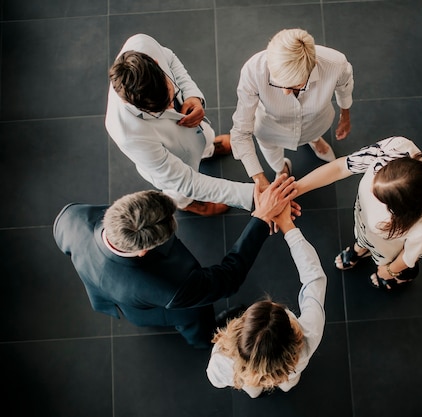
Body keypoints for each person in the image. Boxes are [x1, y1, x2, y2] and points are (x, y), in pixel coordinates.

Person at [53, 175, 298, 349]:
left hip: (106, 291)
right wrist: (261, 218)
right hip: (161, 308)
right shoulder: (171, 287)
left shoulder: (70, 218)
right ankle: (205, 340)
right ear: (143, 251)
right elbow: (227, 279)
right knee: (196, 323)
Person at [106, 33, 251, 217]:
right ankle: (189, 205)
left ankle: (209, 148)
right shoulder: (127, 133)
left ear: (156, 64)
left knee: (205, 139)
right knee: (179, 192)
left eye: (169, 95)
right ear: (129, 103)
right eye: (159, 110)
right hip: (171, 164)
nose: (171, 107)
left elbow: (171, 59)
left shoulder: (142, 43)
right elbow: (185, 181)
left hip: (195, 132)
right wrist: (249, 195)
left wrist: (192, 96)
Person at [206, 202, 327, 397]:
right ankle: (287, 384)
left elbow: (215, 379)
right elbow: (314, 279)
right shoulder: (309, 334)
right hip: (290, 370)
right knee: (289, 381)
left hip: (246, 378)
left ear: (240, 328)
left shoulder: (223, 358)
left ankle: (254, 390)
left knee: (252, 389)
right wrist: (288, 225)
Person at [296, 136, 422, 291]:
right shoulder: (396, 149)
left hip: (390, 250)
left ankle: (402, 277)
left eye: (381, 198)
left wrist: (389, 270)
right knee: (363, 238)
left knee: (403, 269)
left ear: (401, 209)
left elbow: (408, 255)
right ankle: (361, 248)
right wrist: (293, 190)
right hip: (365, 229)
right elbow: (341, 167)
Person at [230, 28, 354, 190]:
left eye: (295, 85)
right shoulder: (253, 70)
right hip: (270, 127)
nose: (285, 92)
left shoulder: (336, 64)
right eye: (278, 83)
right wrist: (259, 179)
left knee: (315, 130)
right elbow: (240, 132)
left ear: (313, 67)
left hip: (315, 121)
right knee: (271, 151)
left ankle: (315, 140)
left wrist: (345, 116)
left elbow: (344, 88)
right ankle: (281, 169)